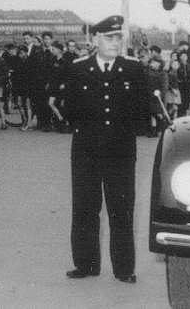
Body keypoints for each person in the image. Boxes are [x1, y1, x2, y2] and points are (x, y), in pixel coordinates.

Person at [63, 15, 145, 284]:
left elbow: (140, 111)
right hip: (86, 151)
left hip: (120, 152)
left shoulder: (133, 69)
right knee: (85, 208)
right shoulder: (77, 69)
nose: (115, 42)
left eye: (118, 37)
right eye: (109, 38)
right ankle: (86, 265)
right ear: (95, 39)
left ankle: (123, 269)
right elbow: (70, 109)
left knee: (121, 210)